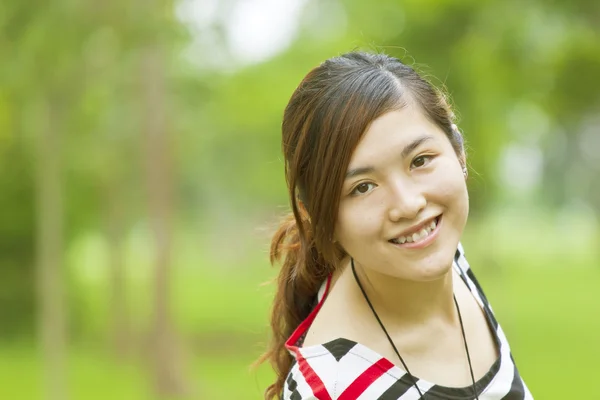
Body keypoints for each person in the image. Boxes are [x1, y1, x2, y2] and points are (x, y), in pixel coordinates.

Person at [258, 51, 533, 400]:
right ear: (321, 217)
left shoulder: (449, 261)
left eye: (420, 160)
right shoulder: (333, 387)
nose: (408, 204)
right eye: (362, 187)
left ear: (458, 150)